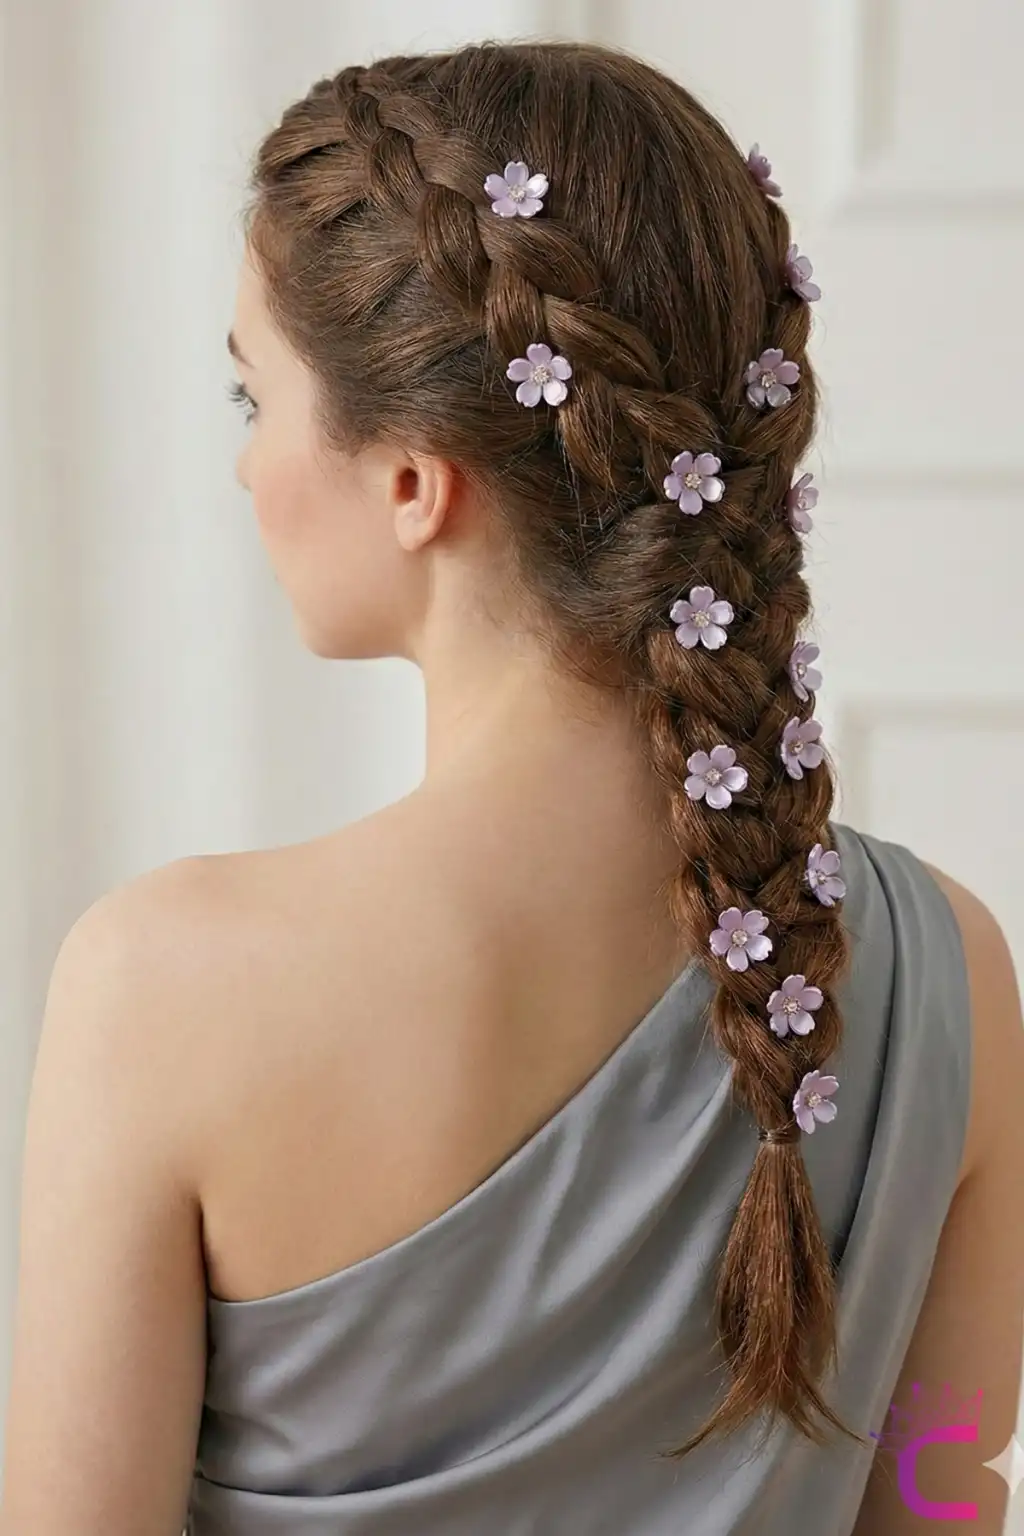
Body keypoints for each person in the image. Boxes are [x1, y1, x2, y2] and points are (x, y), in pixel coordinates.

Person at [2, 39, 1022, 1536]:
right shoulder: (948, 973)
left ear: (415, 481)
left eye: (251, 400)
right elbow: (946, 1482)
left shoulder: (164, 992)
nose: (245, 470)